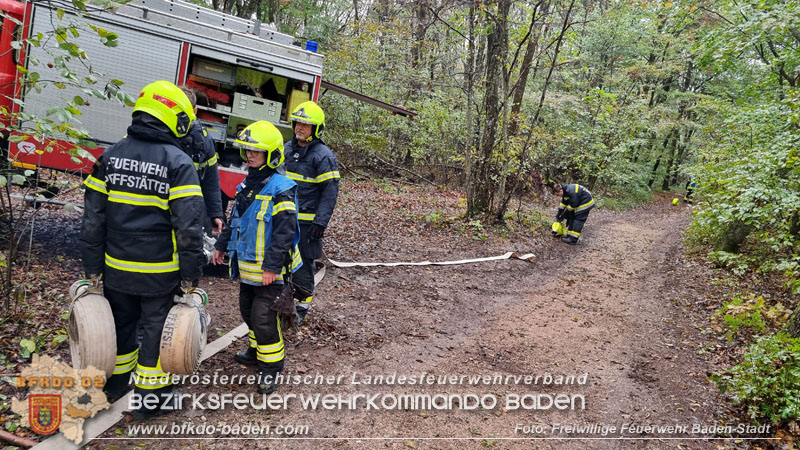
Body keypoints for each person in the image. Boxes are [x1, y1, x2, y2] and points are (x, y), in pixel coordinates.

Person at [80, 80, 205, 419]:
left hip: (116, 269)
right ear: (174, 119)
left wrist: (92, 267)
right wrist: (191, 275)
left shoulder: (110, 155)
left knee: (122, 326)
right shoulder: (179, 163)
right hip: (159, 274)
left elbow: (93, 219)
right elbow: (189, 229)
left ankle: (117, 384)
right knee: (154, 331)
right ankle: (150, 399)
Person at [211, 121, 301, 394]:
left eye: (256, 151)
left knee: (264, 318)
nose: (250, 155)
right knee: (248, 313)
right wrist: (221, 245)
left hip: (269, 270)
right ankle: (255, 349)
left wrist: (273, 266)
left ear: (271, 154)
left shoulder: (281, 187)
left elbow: (286, 231)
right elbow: (235, 219)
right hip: (249, 269)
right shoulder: (246, 185)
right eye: (248, 150)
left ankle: (271, 367)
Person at [283, 101, 339, 325]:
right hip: (283, 219)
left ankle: (301, 307)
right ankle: (282, 300)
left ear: (316, 129)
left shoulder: (323, 156)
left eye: (306, 125)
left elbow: (330, 193)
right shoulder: (287, 150)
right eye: (298, 123)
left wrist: (320, 223)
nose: (300, 128)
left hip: (307, 224)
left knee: (304, 264)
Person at [179, 87, 224, 234]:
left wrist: (215, 214)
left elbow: (210, 181)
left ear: (195, 111)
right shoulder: (161, 133)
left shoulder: (203, 140)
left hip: (189, 210)